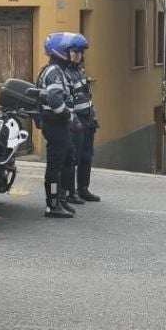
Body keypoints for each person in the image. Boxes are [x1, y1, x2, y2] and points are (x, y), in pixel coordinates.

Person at [37, 33, 81, 218]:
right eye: (72, 51)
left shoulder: (59, 71)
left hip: (60, 124)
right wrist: (71, 117)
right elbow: (56, 102)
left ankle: (61, 199)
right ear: (61, 52)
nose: (76, 55)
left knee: (67, 159)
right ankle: (53, 205)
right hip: (55, 124)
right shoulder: (54, 72)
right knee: (55, 165)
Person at [62, 35, 101, 204]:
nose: (77, 55)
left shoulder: (80, 71)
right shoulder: (64, 73)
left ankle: (83, 189)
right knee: (73, 158)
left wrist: (93, 114)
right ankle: (70, 192)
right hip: (75, 121)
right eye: (74, 51)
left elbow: (86, 95)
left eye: (80, 52)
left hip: (87, 119)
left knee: (86, 156)